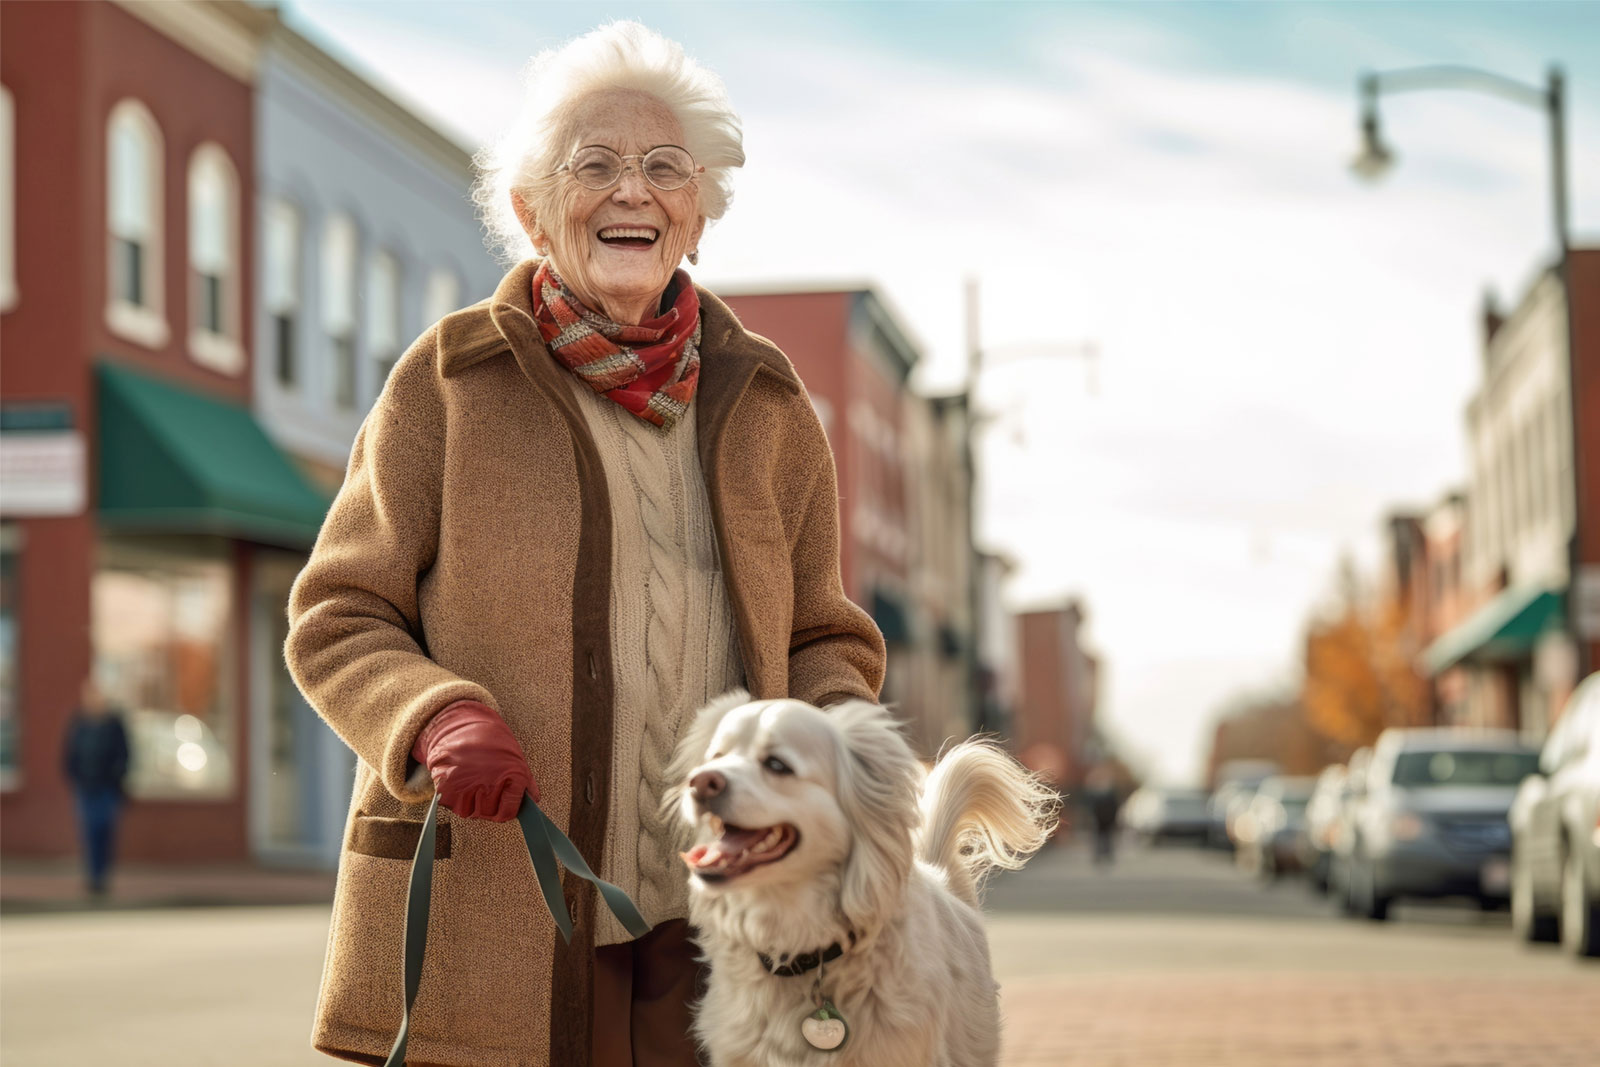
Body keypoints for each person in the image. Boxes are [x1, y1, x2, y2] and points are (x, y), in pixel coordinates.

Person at [284, 21, 885, 1067]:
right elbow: (338, 612)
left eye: (664, 169)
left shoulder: (769, 404)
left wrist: (839, 755)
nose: (632, 193)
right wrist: (434, 714)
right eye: (593, 166)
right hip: (503, 904)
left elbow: (826, 635)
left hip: (722, 922)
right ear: (529, 210)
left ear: (698, 214)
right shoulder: (451, 382)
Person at [61, 677, 130, 896]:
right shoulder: (79, 723)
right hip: (85, 788)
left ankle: (102, 876)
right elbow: (69, 754)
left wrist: (116, 776)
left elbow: (125, 754)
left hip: (107, 788)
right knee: (89, 832)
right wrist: (74, 777)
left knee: (105, 831)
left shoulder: (114, 724)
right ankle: (93, 877)